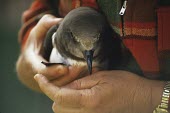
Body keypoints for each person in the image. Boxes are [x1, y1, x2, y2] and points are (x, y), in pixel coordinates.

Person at [16, 0, 170, 113]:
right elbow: (38, 18)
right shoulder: (57, 35)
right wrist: (33, 62)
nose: (88, 53)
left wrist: (150, 98)